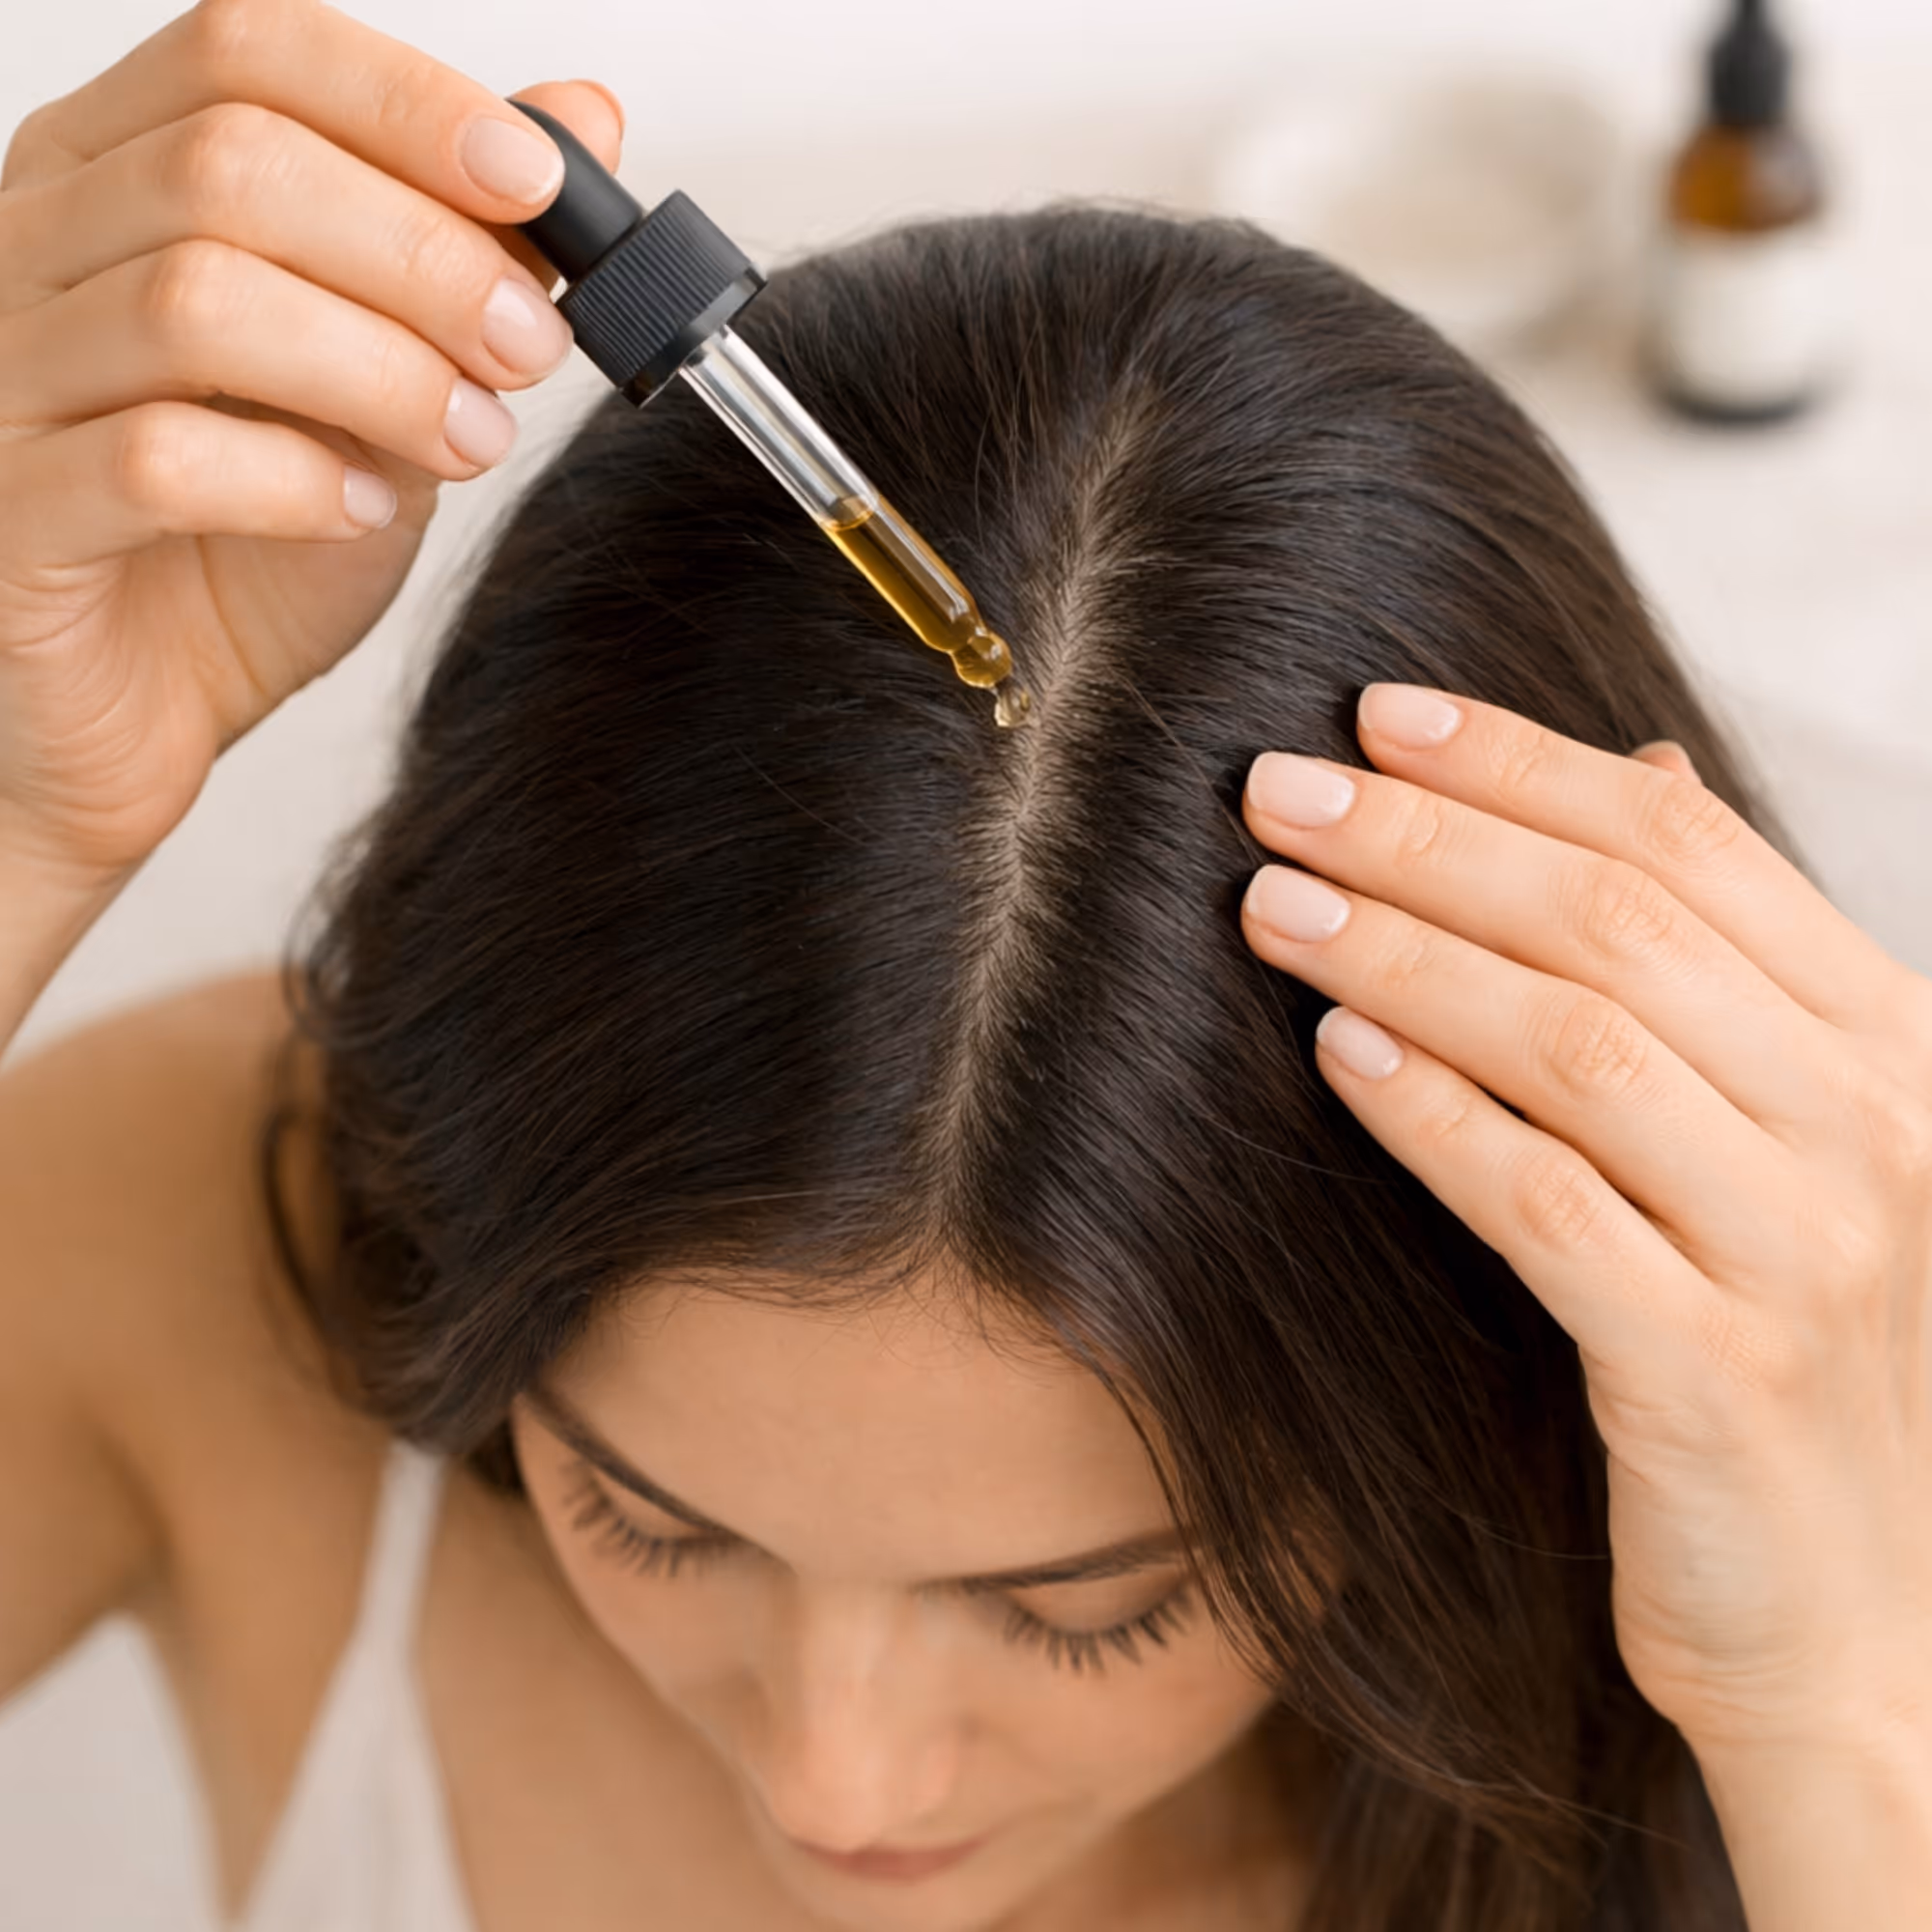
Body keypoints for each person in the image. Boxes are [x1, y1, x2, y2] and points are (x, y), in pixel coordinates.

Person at [0, 6, 1853, 1930]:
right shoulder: (199, 1250)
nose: (834, 1778)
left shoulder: (1804, 1569)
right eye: (646, 1513)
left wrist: (1836, 1717)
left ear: (1473, 1389)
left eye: (1084, 1606)